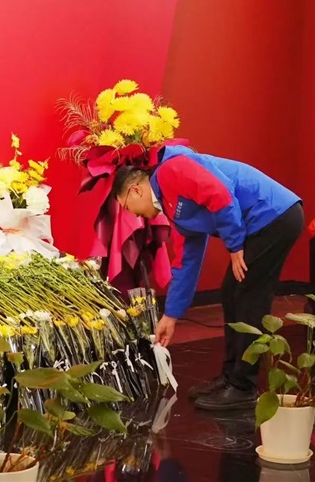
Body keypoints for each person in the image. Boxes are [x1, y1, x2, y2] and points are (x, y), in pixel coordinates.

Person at [113, 144, 302, 411]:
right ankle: (230, 377)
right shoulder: (170, 205)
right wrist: (171, 316)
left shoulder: (171, 170)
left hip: (274, 216)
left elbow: (220, 193)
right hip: (262, 224)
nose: (133, 215)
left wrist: (234, 245)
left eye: (127, 206)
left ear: (136, 190)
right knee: (230, 292)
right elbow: (186, 262)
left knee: (247, 295)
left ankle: (243, 387)